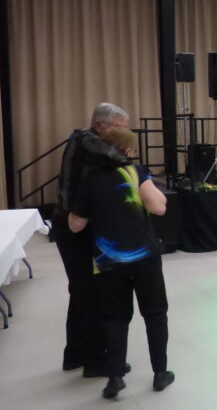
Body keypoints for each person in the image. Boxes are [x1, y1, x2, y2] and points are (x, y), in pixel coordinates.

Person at [68, 127, 175, 399]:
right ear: (128, 151)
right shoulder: (135, 172)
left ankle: (115, 377)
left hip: (108, 260)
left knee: (115, 317)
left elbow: (75, 225)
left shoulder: (90, 178)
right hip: (145, 256)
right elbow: (159, 207)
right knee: (155, 313)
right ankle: (160, 372)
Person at [52, 102, 130, 378]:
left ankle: (75, 354)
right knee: (90, 292)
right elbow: (118, 158)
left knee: (81, 291)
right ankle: (95, 362)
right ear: (100, 125)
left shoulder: (90, 142)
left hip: (79, 225)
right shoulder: (86, 140)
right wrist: (128, 154)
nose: (122, 134)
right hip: (73, 227)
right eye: (118, 128)